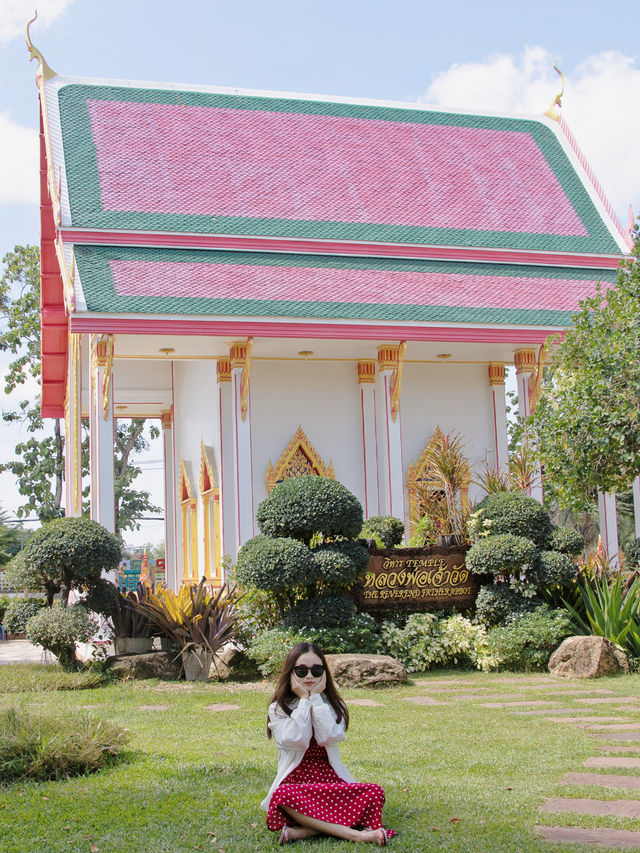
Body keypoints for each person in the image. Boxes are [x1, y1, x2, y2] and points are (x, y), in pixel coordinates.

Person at [261, 642, 395, 846]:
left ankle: (304, 831)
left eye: (316, 670)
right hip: (296, 781)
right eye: (301, 670)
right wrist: (304, 702)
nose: (309, 676)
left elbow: (329, 737)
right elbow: (296, 741)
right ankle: (357, 835)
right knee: (281, 795)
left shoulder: (333, 705)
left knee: (374, 792)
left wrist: (315, 698)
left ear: (324, 673)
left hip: (330, 777)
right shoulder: (279, 708)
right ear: (290, 672)